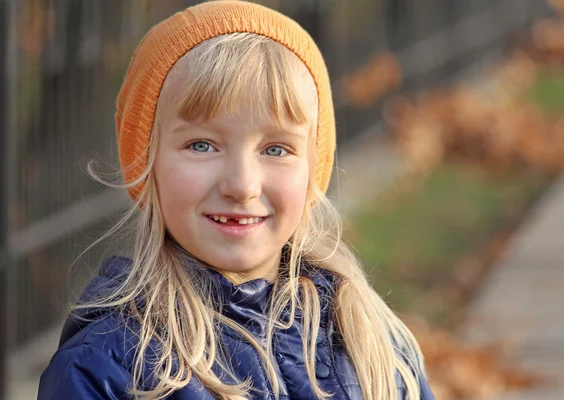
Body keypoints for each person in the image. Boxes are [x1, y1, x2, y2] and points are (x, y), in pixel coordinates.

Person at [38, 1, 435, 399]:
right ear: (148, 161)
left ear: (314, 169)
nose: (242, 186)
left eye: (276, 149)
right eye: (202, 145)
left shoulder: (374, 343)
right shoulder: (104, 369)